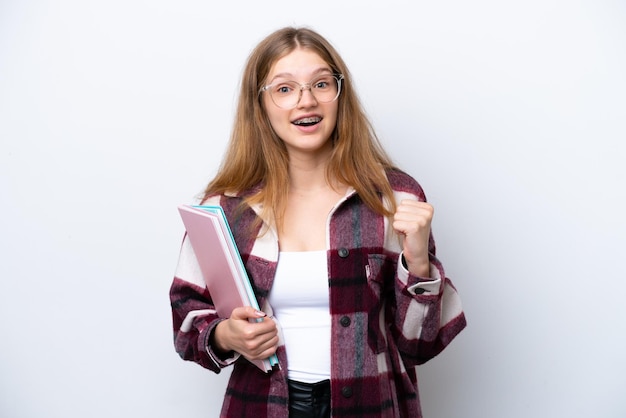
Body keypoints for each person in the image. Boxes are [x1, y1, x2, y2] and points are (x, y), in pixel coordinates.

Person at [170, 26, 466, 418]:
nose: (306, 102)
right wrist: (225, 335)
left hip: (371, 405)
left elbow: (420, 345)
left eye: (321, 84)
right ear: (259, 105)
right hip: (262, 406)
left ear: (339, 95)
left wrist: (419, 265)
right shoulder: (225, 209)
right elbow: (185, 317)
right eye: (285, 88)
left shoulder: (395, 199)